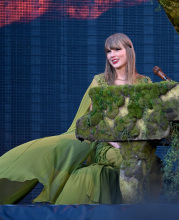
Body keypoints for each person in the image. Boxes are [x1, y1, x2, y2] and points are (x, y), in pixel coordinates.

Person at [0, 33, 154, 205]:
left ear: (129, 50)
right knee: (129, 161)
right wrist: (118, 144)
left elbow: (148, 119)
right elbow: (96, 121)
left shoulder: (145, 82)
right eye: (109, 51)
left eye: (117, 49)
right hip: (106, 143)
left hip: (135, 142)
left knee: (148, 163)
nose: (112, 55)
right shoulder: (100, 82)